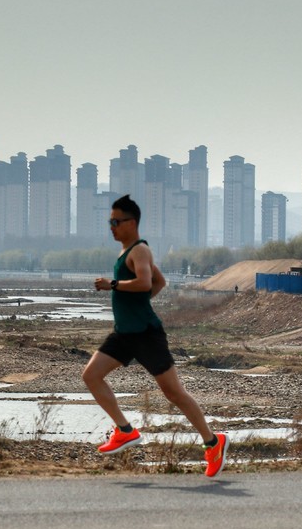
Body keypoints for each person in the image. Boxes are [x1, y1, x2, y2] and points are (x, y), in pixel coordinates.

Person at [84, 195, 230, 477]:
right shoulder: (129, 251)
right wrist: (139, 302)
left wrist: (112, 284)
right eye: (109, 222)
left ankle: (214, 443)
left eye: (115, 222)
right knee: (91, 375)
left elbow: (145, 282)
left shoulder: (139, 251)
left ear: (132, 222)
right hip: (124, 334)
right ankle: (125, 430)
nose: (111, 227)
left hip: (146, 335)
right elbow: (160, 282)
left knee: (173, 393)